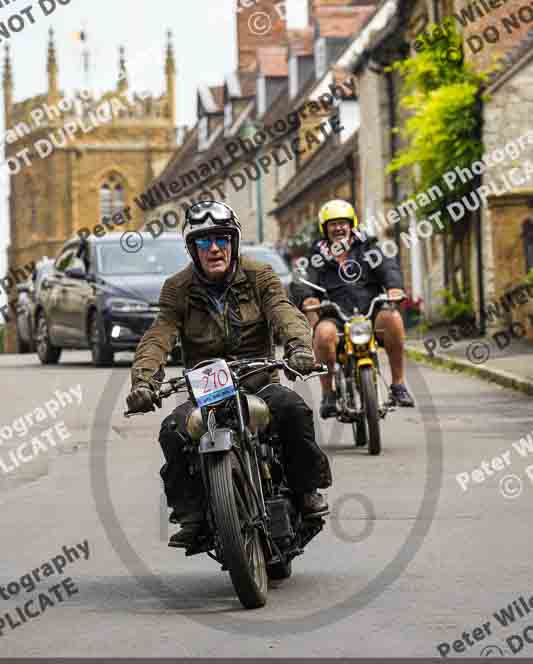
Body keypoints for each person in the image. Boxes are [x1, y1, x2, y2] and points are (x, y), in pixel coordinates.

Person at [126, 201, 332, 548]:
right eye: (204, 242)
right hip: (206, 392)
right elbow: (159, 335)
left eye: (221, 239)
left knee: (292, 410)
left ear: (233, 242)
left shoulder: (259, 275)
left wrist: (298, 348)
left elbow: (284, 312)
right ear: (193, 248)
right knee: (174, 431)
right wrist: (144, 381)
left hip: (259, 381)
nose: (215, 248)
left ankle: (305, 490)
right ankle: (191, 514)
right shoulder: (177, 288)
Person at [299, 199, 415, 419]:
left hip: (370, 313)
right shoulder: (316, 256)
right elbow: (303, 280)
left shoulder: (368, 248)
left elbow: (388, 267)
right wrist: (307, 299)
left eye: (343, 223)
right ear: (325, 228)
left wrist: (394, 288)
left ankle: (398, 385)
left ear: (351, 224)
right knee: (323, 335)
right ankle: (328, 394)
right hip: (335, 316)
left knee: (393, 318)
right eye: (333, 224)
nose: (339, 228)